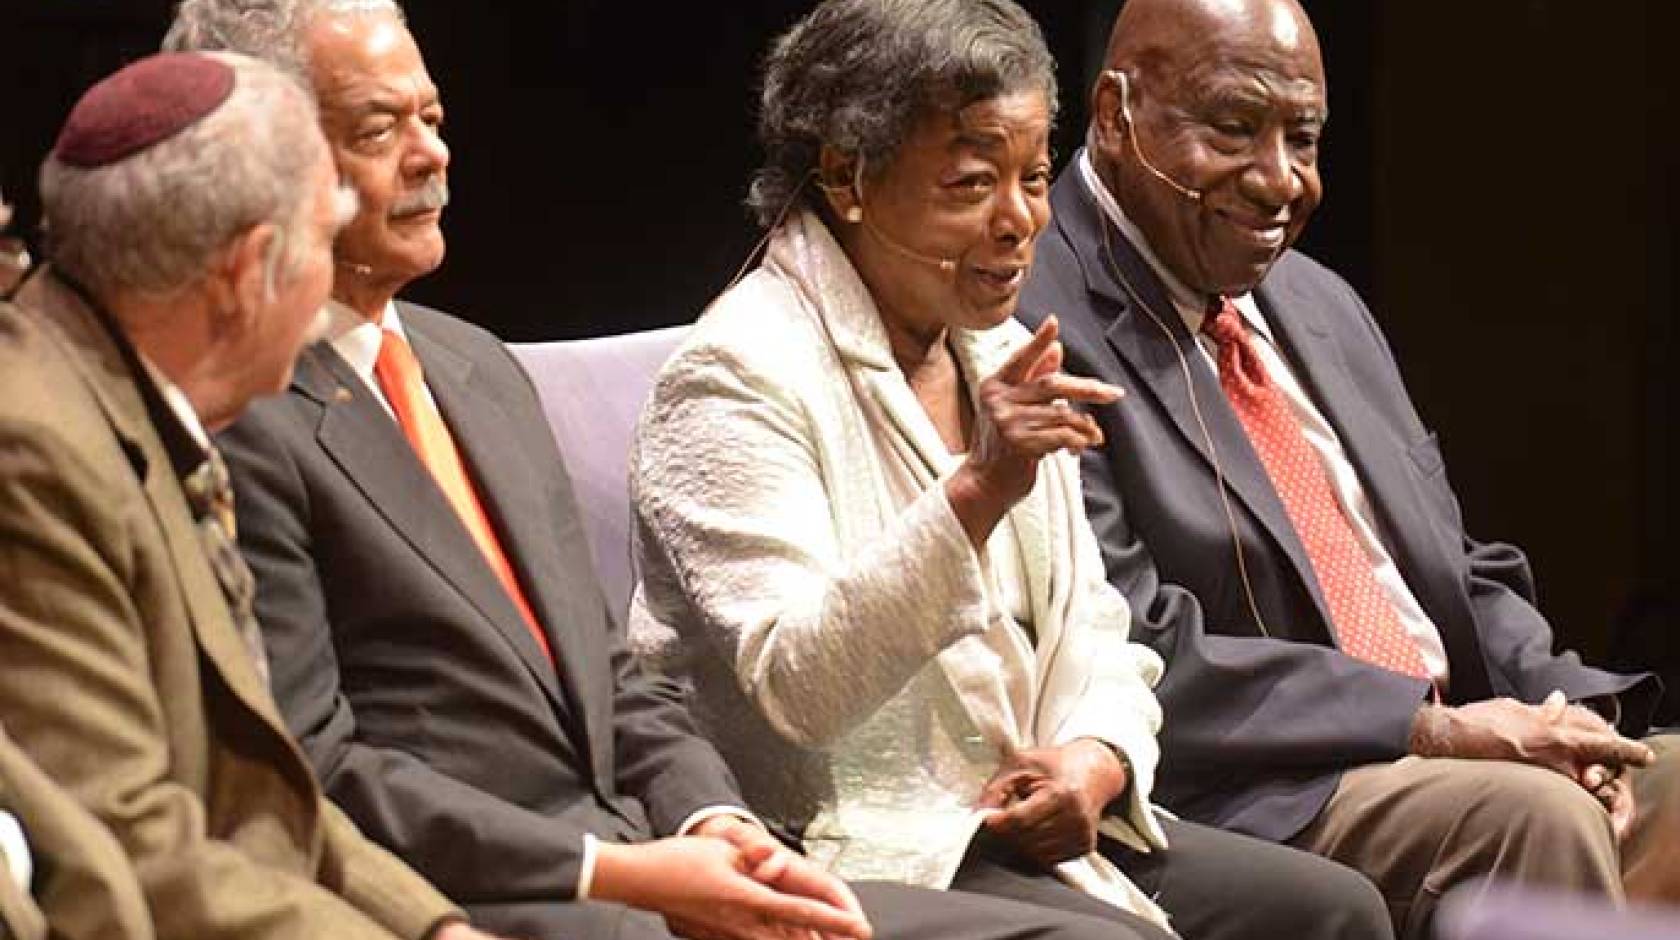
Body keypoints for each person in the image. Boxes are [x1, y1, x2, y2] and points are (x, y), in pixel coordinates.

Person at [176, 3, 1142, 939]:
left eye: (431, 117)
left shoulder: (475, 369)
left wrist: (711, 825)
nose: (432, 155)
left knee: (1294, 905)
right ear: (257, 155)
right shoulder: (241, 413)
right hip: (495, 885)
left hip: (666, 843)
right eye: (379, 128)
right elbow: (311, 769)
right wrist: (623, 870)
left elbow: (617, 679)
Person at [630, 3, 1390, 940]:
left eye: (1033, 177)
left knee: (1336, 911)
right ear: (846, 178)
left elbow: (1094, 621)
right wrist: (975, 494)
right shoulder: (737, 373)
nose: (1020, 219)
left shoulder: (991, 343)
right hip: (842, 843)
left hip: (1016, 823)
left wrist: (1098, 756)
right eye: (972, 182)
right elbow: (797, 684)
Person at [1015, 0, 1680, 935]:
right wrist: (1433, 725)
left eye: (1305, 138)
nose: (1280, 181)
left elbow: (1454, 565)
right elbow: (1132, 642)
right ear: (1118, 114)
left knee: (1674, 788)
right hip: (1259, 787)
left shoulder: (1315, 299)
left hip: (1453, 740)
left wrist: (1564, 711)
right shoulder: (1026, 308)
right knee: (1537, 818)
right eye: (1236, 129)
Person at [0, 51, 500, 940]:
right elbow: (127, 846)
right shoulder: (31, 449)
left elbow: (266, 803)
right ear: (248, 270)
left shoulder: (127, 395)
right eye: (324, 238)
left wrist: (433, 928)